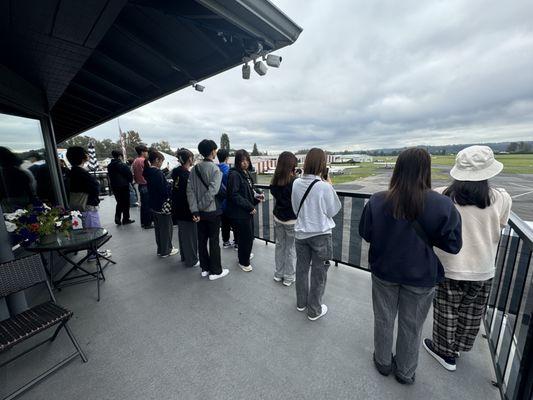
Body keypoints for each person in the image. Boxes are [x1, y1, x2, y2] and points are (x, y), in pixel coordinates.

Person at [358, 148, 462, 385]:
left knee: (383, 318)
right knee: (412, 325)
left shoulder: (377, 200)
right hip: (420, 274)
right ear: (425, 170)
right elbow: (453, 245)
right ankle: (405, 372)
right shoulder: (442, 204)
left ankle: (383, 361)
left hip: (384, 270)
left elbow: (366, 232)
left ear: (397, 169)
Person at [423, 146, 512, 371]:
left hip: (449, 265)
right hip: (483, 267)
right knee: (471, 311)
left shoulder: (441, 194)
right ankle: (458, 347)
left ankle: (445, 351)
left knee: (446, 309)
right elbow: (500, 225)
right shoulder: (501, 198)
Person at [291, 148, 341, 321]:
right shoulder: (323, 187)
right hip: (321, 234)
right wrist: (330, 186)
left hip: (301, 234)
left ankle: (301, 303)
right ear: (322, 164)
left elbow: (295, 207)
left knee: (302, 269)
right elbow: (333, 210)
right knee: (319, 273)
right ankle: (314, 310)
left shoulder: (296, 183)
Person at [187, 139, 229, 281]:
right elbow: (213, 191)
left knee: (202, 239)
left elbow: (190, 191)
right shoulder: (215, 169)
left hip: (199, 214)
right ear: (212, 151)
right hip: (212, 212)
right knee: (213, 241)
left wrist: (195, 210)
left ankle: (205, 268)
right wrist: (202, 206)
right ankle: (216, 271)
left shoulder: (194, 169)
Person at [67, 146, 111, 260]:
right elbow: (93, 187)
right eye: (86, 153)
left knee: (90, 228)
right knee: (93, 230)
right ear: (81, 157)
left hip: (83, 205)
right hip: (87, 205)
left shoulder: (74, 171)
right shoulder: (80, 172)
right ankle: (92, 254)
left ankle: (93, 252)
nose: (88, 155)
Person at [226, 149, 263, 272]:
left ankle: (245, 255)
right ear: (237, 162)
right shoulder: (235, 174)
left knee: (247, 236)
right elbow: (234, 195)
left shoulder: (245, 173)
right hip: (240, 213)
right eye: (242, 161)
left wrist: (257, 197)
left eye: (247, 160)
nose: (245, 163)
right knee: (245, 238)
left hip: (245, 211)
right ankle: (243, 261)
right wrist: (249, 206)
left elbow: (248, 191)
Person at [270, 151, 298, 286]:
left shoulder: (275, 181)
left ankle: (278, 274)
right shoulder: (295, 182)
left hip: (278, 217)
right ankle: (288, 277)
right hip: (292, 220)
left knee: (280, 246)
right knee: (290, 249)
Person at [143, 149, 178, 258]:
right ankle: (167, 250)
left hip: (153, 204)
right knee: (166, 228)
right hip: (162, 204)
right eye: (161, 161)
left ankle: (161, 249)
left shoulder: (148, 172)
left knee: (158, 229)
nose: (161, 163)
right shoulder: (157, 173)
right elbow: (163, 190)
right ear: (157, 160)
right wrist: (169, 187)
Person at [171, 148, 199, 268]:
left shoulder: (176, 172)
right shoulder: (187, 175)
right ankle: (191, 260)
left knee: (183, 235)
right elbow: (190, 195)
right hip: (187, 209)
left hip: (178, 208)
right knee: (190, 236)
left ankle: (185, 256)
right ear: (189, 159)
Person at [107, 150, 135, 225]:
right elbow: (129, 174)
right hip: (123, 186)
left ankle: (117, 217)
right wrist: (130, 181)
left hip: (114, 186)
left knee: (119, 202)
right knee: (126, 202)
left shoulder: (109, 165)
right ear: (120, 156)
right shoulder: (122, 165)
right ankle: (125, 219)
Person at [217, 148, 234, 249]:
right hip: (229, 200)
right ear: (227, 158)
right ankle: (236, 242)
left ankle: (226, 241)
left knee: (224, 223)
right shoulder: (228, 170)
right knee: (234, 223)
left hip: (219, 202)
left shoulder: (215, 168)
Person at [132, 144, 153, 229]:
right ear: (142, 152)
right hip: (146, 184)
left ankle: (143, 222)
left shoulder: (135, 161)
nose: (147, 153)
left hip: (140, 185)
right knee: (148, 205)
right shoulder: (144, 161)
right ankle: (148, 223)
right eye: (146, 151)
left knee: (144, 205)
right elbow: (150, 172)